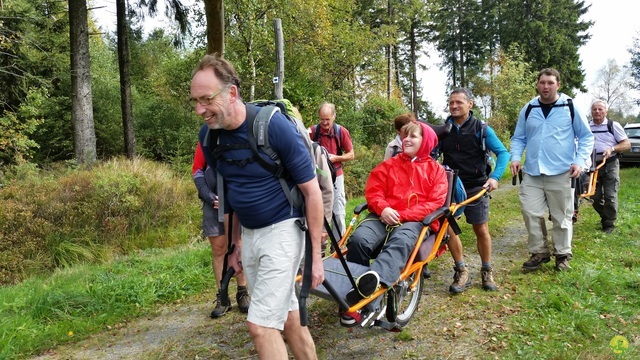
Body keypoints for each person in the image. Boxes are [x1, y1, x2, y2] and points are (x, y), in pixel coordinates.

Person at [190, 54, 324, 360]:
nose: (199, 109)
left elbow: (312, 192)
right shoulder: (209, 137)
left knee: (260, 326)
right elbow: (230, 191)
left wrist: (315, 257)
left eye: (206, 99)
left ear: (232, 93)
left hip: (285, 229)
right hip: (249, 234)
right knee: (289, 316)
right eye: (195, 101)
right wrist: (234, 244)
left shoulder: (274, 128)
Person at [343, 122, 448, 322]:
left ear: (426, 141)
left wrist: (403, 214)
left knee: (400, 242)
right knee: (359, 240)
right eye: (404, 136)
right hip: (382, 215)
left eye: (412, 136)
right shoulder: (389, 165)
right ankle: (356, 287)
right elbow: (374, 190)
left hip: (415, 221)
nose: (406, 139)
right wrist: (383, 208)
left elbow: (435, 203)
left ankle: (365, 298)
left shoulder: (436, 171)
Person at [510, 68, 594, 272]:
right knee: (530, 212)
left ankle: (562, 255)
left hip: (562, 171)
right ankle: (539, 252)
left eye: (550, 82)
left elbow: (586, 137)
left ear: (558, 84)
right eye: (542, 82)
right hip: (532, 172)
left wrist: (579, 161)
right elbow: (519, 137)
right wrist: (515, 157)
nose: (545, 86)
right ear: (537, 84)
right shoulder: (529, 108)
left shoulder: (570, 106)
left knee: (561, 215)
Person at [439, 88, 509, 293]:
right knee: (448, 228)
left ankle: (487, 271)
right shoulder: (444, 130)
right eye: (451, 103)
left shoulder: (482, 129)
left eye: (459, 102)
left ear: (470, 104)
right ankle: (461, 271)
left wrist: (495, 177)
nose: (454, 106)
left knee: (481, 229)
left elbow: (503, 153)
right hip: (451, 187)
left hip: (477, 186)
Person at [192, 143, 250, 318]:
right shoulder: (205, 141)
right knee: (218, 249)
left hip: (236, 202)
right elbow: (197, 171)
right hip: (213, 203)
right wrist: (209, 196)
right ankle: (222, 296)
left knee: (238, 245)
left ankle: (242, 292)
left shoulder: (238, 137)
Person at [309, 103, 354, 236]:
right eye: (321, 119)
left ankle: (339, 245)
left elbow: (351, 154)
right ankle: (318, 243)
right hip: (318, 177)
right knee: (316, 210)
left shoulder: (341, 131)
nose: (324, 122)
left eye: (327, 119)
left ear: (334, 117)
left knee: (338, 211)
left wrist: (336, 158)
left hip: (336, 175)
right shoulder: (312, 131)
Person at [588, 99, 630, 233]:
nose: (597, 112)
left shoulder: (613, 125)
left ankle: (609, 224)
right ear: (591, 112)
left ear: (606, 111)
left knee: (610, 196)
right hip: (592, 165)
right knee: (594, 197)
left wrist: (612, 148)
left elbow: (626, 144)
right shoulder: (587, 126)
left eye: (600, 109)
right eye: (594, 109)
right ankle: (606, 216)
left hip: (610, 163)